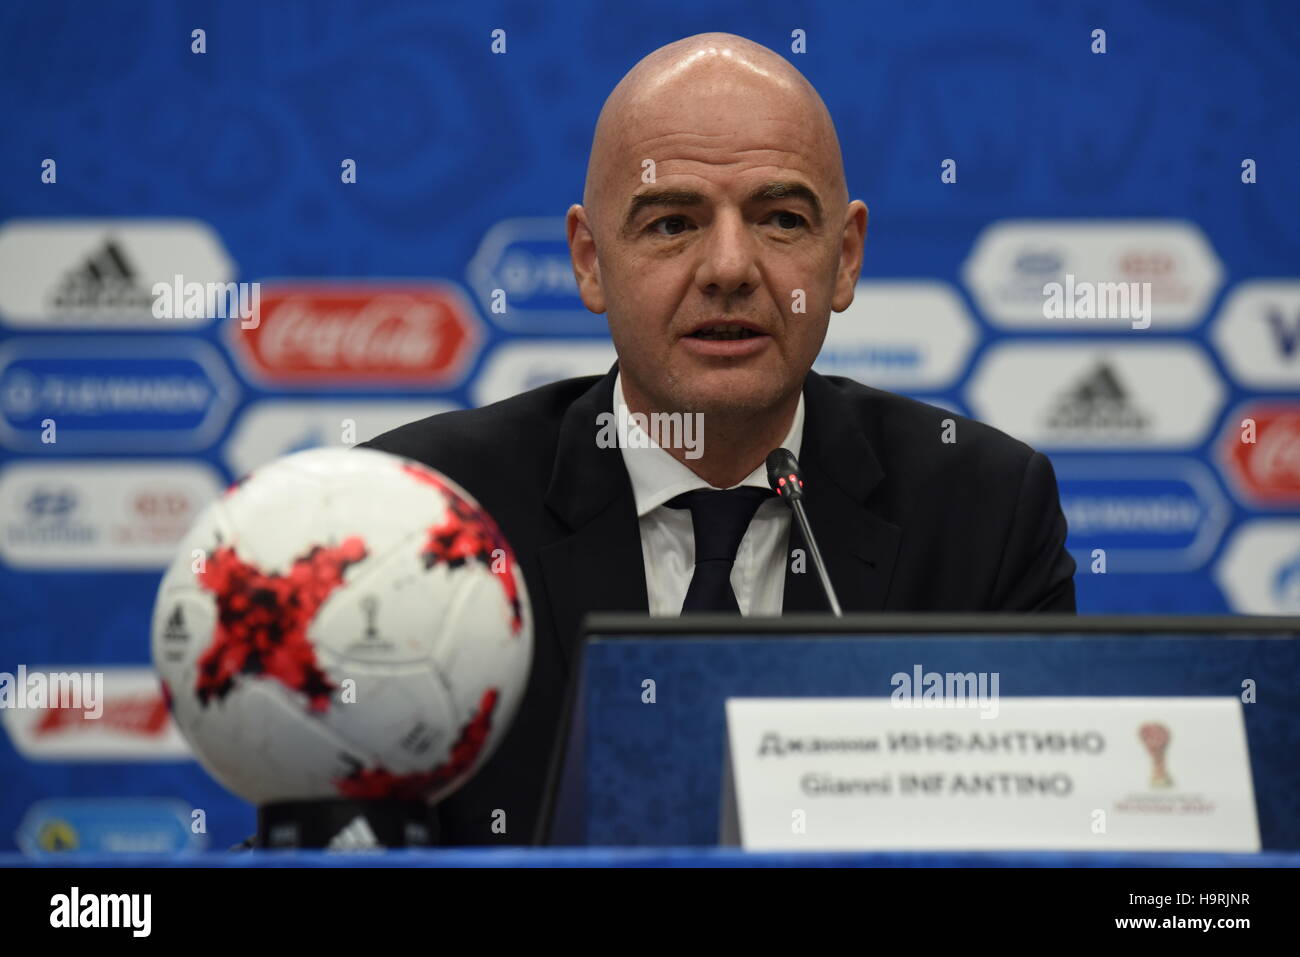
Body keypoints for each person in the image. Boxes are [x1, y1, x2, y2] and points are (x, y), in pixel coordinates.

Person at [360, 33, 1076, 845]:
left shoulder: (982, 507)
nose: (730, 267)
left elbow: (1044, 841)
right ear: (590, 262)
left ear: (843, 260)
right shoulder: (422, 513)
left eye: (780, 219)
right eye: (673, 222)